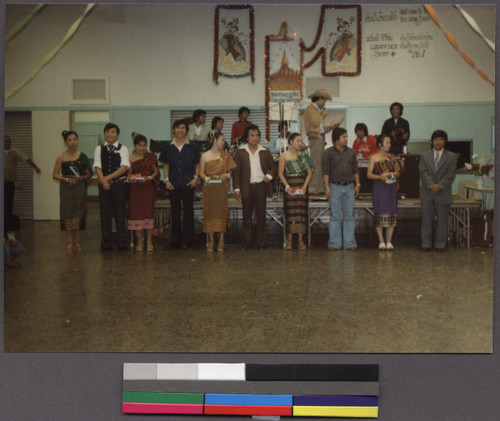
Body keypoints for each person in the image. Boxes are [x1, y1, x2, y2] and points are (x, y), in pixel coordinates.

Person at [159, 119, 201, 249]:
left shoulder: (193, 146)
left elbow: (197, 163)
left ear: (186, 130)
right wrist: (166, 180)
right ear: (174, 130)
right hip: (173, 183)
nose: (180, 130)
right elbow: (166, 164)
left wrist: (196, 178)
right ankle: (175, 241)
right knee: (175, 212)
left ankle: (189, 241)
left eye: (183, 128)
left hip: (189, 183)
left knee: (189, 212)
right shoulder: (168, 147)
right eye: (177, 128)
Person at [233, 124, 276, 249]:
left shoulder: (265, 151)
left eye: (257, 135)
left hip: (261, 186)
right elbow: (236, 172)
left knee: (261, 215)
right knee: (247, 216)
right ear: (246, 138)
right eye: (252, 135)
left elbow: (273, 167)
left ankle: (261, 243)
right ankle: (246, 243)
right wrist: (236, 188)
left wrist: (269, 175)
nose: (255, 138)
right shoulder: (240, 152)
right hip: (246, 187)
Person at [52, 130, 92, 253]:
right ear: (65, 142)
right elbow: (54, 175)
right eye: (69, 140)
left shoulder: (83, 156)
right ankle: (70, 241)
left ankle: (78, 241)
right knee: (67, 214)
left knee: (78, 213)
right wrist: (66, 179)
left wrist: (81, 177)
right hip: (66, 189)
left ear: (78, 141)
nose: (72, 142)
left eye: (74, 139)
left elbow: (89, 175)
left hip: (79, 188)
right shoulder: (61, 157)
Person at [322, 127, 361, 251]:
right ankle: (334, 243)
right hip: (334, 187)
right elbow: (325, 172)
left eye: (347, 136)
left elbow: (355, 170)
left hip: (349, 187)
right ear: (337, 139)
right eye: (344, 137)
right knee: (334, 216)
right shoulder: (328, 153)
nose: (346, 139)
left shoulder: (351, 152)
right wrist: (327, 187)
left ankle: (350, 243)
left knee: (349, 216)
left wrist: (358, 184)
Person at [419, 129, 457, 252]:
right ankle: (426, 244)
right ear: (432, 141)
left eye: (441, 139)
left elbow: (450, 175)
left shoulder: (451, 156)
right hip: (427, 192)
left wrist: (439, 186)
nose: (438, 142)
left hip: (443, 192)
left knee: (442, 221)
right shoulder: (424, 155)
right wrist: (431, 186)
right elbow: (423, 172)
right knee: (426, 219)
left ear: (445, 141)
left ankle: (440, 244)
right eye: (436, 139)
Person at [94, 123, 130, 251]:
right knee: (105, 215)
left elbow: (124, 167)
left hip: (118, 185)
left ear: (117, 134)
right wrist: (103, 181)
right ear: (105, 134)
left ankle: (122, 243)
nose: (110, 134)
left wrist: (106, 179)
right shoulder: (99, 148)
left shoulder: (123, 148)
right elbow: (97, 166)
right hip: (104, 186)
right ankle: (106, 243)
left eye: (113, 132)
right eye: (108, 132)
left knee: (120, 215)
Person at [200, 131, 237, 252]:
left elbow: (231, 170)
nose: (223, 142)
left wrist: (227, 175)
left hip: (221, 187)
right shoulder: (205, 155)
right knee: (209, 212)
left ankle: (221, 239)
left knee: (222, 212)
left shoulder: (225, 155)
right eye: (222, 140)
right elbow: (201, 172)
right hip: (209, 188)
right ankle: (211, 240)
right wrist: (206, 178)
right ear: (215, 140)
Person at [367, 134, 403, 250]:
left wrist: (390, 174)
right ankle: (381, 240)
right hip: (379, 188)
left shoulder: (392, 157)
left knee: (391, 213)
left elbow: (398, 173)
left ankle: (389, 241)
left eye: (389, 143)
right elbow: (369, 175)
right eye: (386, 142)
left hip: (391, 187)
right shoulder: (373, 158)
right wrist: (380, 177)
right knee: (379, 212)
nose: (389, 145)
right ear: (380, 144)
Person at [278, 132, 314, 250]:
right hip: (290, 186)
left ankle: (300, 240)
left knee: (301, 214)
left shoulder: (304, 155)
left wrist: (305, 186)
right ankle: (289, 240)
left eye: (300, 141)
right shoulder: (284, 155)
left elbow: (309, 173)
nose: (299, 143)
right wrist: (287, 186)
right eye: (297, 141)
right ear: (291, 142)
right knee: (290, 214)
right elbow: (280, 174)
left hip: (301, 186)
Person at [127, 133, 159, 252]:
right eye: (140, 145)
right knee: (136, 214)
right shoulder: (130, 158)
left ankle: (149, 240)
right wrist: (130, 178)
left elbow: (155, 171)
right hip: (135, 189)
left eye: (144, 145)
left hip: (147, 188)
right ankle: (140, 240)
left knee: (148, 213)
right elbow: (129, 174)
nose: (142, 148)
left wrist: (149, 177)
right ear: (135, 146)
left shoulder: (151, 157)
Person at [304, 89, 338, 194]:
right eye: (324, 100)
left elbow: (320, 128)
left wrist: (331, 127)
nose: (324, 103)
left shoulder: (316, 110)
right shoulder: (311, 108)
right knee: (316, 163)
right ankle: (313, 188)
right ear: (319, 99)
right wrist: (323, 114)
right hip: (315, 139)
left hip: (319, 137)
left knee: (320, 164)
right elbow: (315, 123)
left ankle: (319, 188)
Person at [4, 134, 41, 215]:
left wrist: (35, 167)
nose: (8, 143)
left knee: (9, 202)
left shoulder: (15, 151)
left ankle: (8, 221)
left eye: (9, 141)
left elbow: (27, 159)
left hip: (9, 182)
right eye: (6, 141)